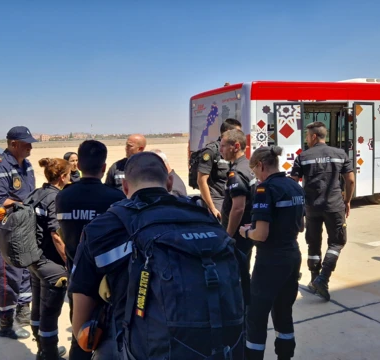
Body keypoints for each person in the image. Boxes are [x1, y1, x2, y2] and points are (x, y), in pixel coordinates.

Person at [69, 152, 246, 360]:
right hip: (216, 348)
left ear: (125, 187)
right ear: (169, 182)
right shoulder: (203, 217)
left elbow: (81, 326)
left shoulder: (102, 228)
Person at [55, 140, 125, 359]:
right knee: (112, 334)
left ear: (79, 164)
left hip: (77, 275)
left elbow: (62, 234)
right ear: (104, 167)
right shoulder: (116, 199)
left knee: (82, 336)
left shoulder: (63, 197)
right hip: (109, 279)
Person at [239, 145, 304, 360]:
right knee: (283, 312)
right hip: (292, 255)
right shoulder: (294, 187)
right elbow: (299, 225)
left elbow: (262, 234)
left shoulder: (264, 189)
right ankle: (285, 356)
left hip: (271, 260)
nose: (255, 175)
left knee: (256, 316)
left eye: (254, 170)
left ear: (260, 165)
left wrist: (247, 232)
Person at [290, 121, 355, 301]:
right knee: (336, 242)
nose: (307, 140)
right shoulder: (340, 154)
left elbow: (292, 182)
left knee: (313, 243)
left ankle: (313, 279)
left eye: (307, 137)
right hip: (334, 206)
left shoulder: (303, 157)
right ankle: (323, 278)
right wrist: (347, 200)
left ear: (314, 136)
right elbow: (350, 180)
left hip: (311, 207)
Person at [0, 126, 37, 339]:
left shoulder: (27, 165)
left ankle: (23, 313)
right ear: (13, 144)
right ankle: (6, 324)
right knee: (9, 276)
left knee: (27, 271)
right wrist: (26, 205)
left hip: (26, 225)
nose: (31, 147)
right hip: (8, 228)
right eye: (27, 144)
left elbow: (30, 192)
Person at [27, 158, 71, 359]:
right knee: (50, 315)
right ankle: (50, 354)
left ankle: (41, 350)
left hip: (35, 260)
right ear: (62, 177)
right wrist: (69, 261)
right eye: (68, 175)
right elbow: (55, 234)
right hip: (52, 266)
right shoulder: (56, 198)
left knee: (37, 310)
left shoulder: (36, 193)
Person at [220, 129, 256, 270]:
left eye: (223, 146)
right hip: (247, 229)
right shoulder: (248, 165)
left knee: (235, 271)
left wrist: (228, 236)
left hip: (238, 234)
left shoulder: (237, 173)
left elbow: (238, 208)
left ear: (235, 146)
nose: (220, 150)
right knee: (243, 269)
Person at [196, 118, 242, 221]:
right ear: (227, 132)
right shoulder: (211, 151)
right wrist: (212, 208)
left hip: (229, 199)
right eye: (237, 132)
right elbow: (201, 180)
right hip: (216, 201)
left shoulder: (233, 150)